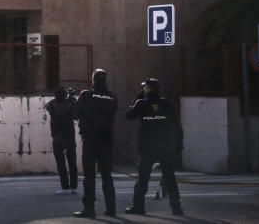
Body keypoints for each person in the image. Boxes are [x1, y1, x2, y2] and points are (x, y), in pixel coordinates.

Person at [125, 78, 184, 216]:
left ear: (147, 89)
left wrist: (137, 98)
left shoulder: (141, 103)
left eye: (144, 87)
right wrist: (179, 143)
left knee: (143, 178)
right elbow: (176, 125)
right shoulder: (167, 104)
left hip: (147, 147)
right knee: (170, 178)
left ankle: (138, 207)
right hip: (165, 146)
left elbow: (129, 115)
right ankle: (177, 208)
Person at [72, 68, 118, 218]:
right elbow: (112, 114)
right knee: (107, 176)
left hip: (91, 139)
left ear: (93, 80)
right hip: (106, 139)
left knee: (89, 175)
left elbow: (75, 114)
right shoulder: (112, 97)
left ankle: (89, 209)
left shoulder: (86, 95)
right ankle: (111, 209)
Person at [45, 86, 78, 194]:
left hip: (57, 136)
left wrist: (68, 99)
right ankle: (73, 187)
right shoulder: (71, 104)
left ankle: (65, 187)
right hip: (69, 136)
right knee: (72, 162)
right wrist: (71, 99)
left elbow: (47, 106)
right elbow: (76, 115)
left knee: (61, 163)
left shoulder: (52, 105)